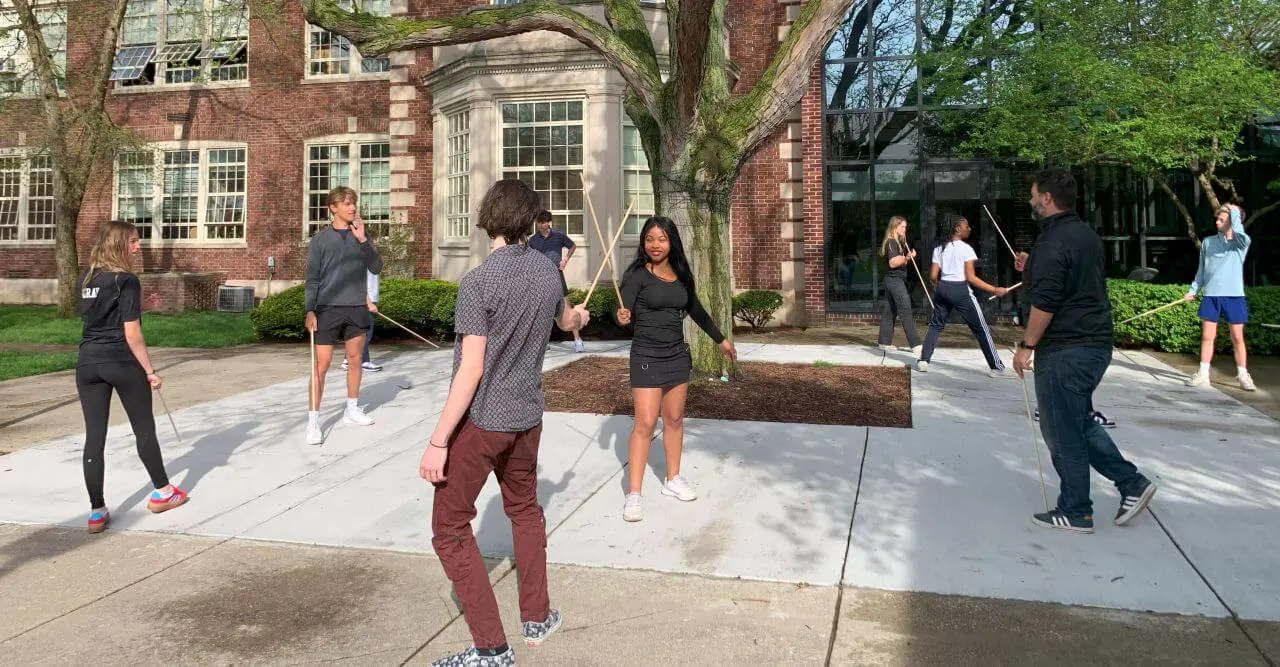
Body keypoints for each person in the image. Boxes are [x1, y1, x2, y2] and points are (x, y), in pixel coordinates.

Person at [418, 179, 590, 667]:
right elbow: (565, 322)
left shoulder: (477, 283)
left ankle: (491, 648)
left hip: (484, 422)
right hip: (527, 418)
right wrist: (578, 316)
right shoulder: (547, 273)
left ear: (489, 218)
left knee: (448, 528)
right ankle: (537, 617)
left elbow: (471, 369)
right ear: (530, 222)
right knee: (525, 510)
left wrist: (438, 441)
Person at [1013, 167, 1156, 534]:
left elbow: (1045, 304)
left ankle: (1077, 509)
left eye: (1033, 194)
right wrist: (1033, 268)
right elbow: (1071, 280)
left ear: (1046, 199)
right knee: (1074, 422)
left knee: (1062, 432)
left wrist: (1026, 347)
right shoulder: (1084, 235)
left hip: (1065, 350)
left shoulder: (1051, 243)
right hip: (1093, 345)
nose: (1030, 200)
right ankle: (1130, 484)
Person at [614, 216, 737, 522]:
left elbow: (695, 310)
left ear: (672, 242)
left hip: (676, 356)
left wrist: (720, 340)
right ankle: (634, 493)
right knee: (644, 422)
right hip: (646, 354)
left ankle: (673, 478)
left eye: (662, 239)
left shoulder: (681, 275)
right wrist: (621, 317)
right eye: (650, 239)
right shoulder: (637, 276)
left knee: (674, 418)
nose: (655, 245)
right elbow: (621, 311)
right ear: (644, 243)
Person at [76, 220, 188, 534]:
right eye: (134, 241)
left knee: (94, 438)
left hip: (87, 364)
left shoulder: (84, 279)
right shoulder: (126, 280)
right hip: (122, 362)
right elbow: (131, 333)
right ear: (119, 244)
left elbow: (94, 319)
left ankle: (96, 511)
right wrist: (150, 371)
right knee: (144, 430)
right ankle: (164, 493)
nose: (138, 247)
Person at [304, 186, 383, 446]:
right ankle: (313, 422)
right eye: (346, 204)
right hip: (327, 309)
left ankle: (352, 409)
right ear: (333, 208)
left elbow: (375, 266)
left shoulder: (361, 235)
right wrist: (310, 309)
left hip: (356, 309)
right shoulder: (320, 240)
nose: (352, 208)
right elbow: (312, 279)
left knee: (355, 359)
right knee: (321, 366)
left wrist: (363, 241)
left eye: (353, 203)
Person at [1014, 253, 1117, 429]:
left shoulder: (1051, 252)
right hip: (1062, 323)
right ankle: (1077, 411)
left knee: (1062, 364)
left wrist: (1030, 264)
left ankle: (1050, 407)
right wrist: (1027, 345)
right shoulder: (1057, 251)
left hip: (1056, 320)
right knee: (1071, 367)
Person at [916, 212, 1011, 377]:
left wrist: (940, 287)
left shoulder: (939, 248)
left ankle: (924, 360)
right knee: (980, 327)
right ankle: (996, 367)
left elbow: (932, 276)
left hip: (942, 288)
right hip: (960, 290)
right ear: (958, 229)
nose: (969, 229)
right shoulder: (967, 249)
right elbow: (971, 278)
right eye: (967, 226)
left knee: (936, 325)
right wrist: (995, 290)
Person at [1183, 203, 1254, 391]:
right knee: (1207, 336)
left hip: (1234, 296)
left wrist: (1234, 212)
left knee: (1237, 337)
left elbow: (1239, 233)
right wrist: (1193, 290)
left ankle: (1243, 375)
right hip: (1211, 296)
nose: (1217, 222)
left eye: (1222, 220)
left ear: (1233, 222)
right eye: (1217, 218)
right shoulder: (1208, 242)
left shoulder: (1241, 243)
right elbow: (1202, 271)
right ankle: (1203, 374)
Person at [527, 209, 585, 353]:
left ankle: (578, 341)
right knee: (542, 311)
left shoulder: (558, 235)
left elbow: (572, 246)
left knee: (567, 307)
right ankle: (543, 343)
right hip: (540, 279)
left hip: (557, 275)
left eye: (543, 222)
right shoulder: (533, 240)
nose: (540, 225)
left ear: (549, 223)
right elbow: (528, 258)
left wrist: (565, 259)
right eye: (538, 223)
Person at [876, 215, 922, 355]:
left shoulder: (897, 242)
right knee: (905, 308)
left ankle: (884, 342)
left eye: (905, 227)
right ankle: (916, 345)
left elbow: (898, 262)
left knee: (890, 312)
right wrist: (907, 257)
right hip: (895, 281)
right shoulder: (892, 242)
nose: (904, 229)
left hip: (893, 281)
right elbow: (893, 263)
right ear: (895, 227)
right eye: (902, 226)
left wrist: (906, 258)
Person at [341, 268, 382, 373]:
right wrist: (368, 302)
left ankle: (348, 360)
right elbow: (356, 283)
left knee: (358, 334)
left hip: (365, 300)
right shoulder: (361, 257)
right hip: (362, 301)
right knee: (365, 333)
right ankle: (363, 361)